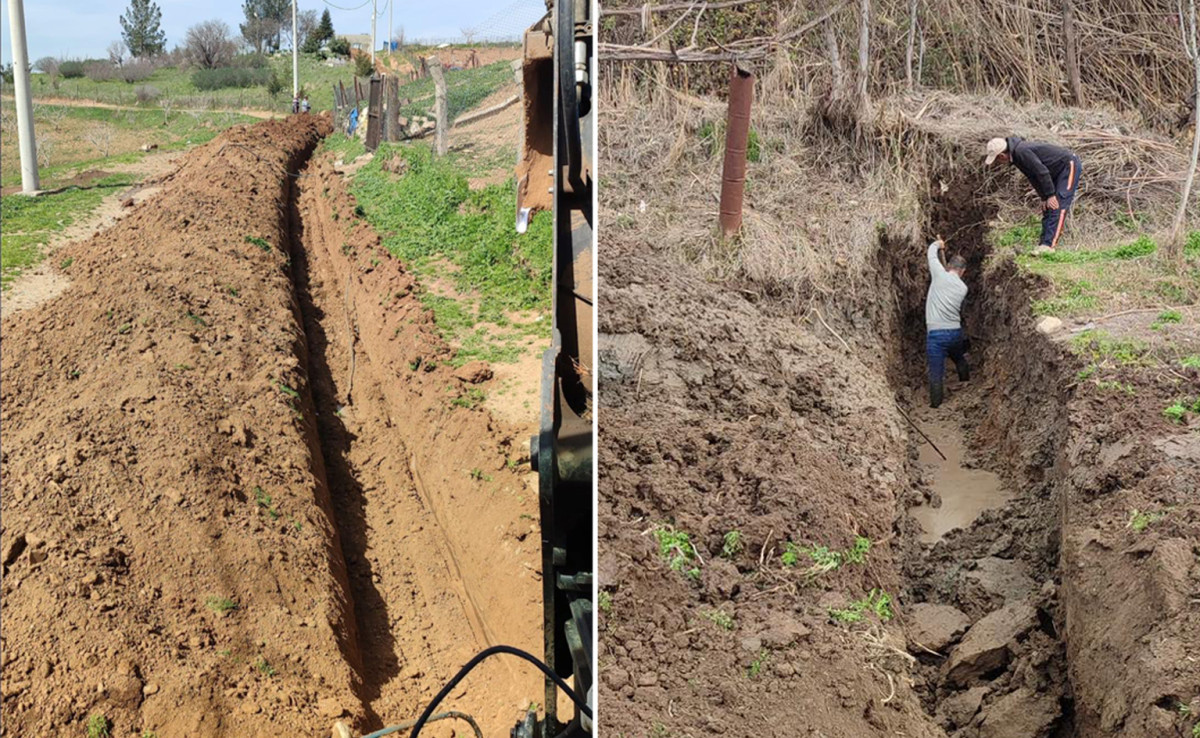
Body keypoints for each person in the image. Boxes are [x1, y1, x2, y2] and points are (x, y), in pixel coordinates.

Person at [985, 136, 1083, 254]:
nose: (998, 163)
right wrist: (1044, 197)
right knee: (1048, 206)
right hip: (1055, 171)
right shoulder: (1017, 156)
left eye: (997, 160)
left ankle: (1049, 246)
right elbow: (1033, 177)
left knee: (1059, 204)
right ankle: (1043, 244)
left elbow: (1042, 172)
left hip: (1068, 165)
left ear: (1002, 155)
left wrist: (1050, 195)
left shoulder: (1021, 151)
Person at [925, 239, 969, 408]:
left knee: (936, 372)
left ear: (948, 266)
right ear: (962, 272)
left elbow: (931, 254)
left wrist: (938, 244)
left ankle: (936, 405)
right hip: (955, 332)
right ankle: (966, 384)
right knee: (958, 358)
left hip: (936, 335)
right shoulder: (963, 288)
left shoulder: (939, 274)